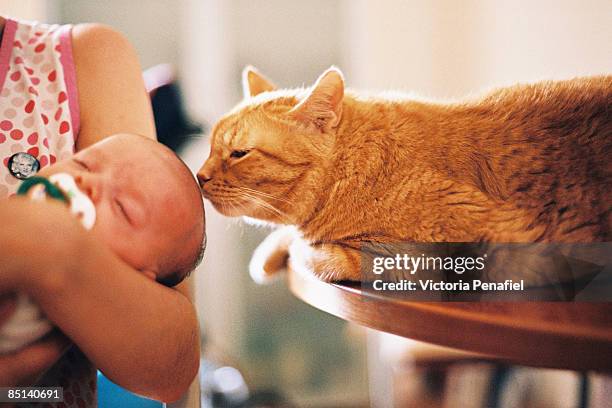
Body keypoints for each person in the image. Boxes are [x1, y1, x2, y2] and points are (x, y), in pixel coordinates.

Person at [0, 16, 202, 404]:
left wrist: (58, 250)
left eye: (123, 208)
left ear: (140, 276)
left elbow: (173, 364)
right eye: (83, 164)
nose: (88, 183)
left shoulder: (76, 60)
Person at [1, 133, 206, 353]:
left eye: (122, 207)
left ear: (135, 282)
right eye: (83, 164)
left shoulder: (83, 320)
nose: (84, 181)